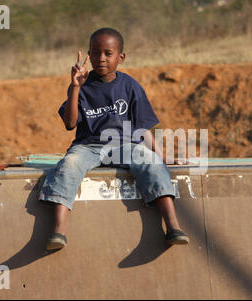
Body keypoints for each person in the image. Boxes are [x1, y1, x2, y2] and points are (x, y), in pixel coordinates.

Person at [39, 27, 189, 250]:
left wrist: (161, 155)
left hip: (126, 145)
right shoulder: (82, 85)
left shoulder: (129, 86)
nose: (101, 59)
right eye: (96, 53)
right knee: (68, 165)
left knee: (151, 163)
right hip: (88, 146)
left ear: (121, 57)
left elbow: (142, 127)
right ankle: (58, 231)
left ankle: (173, 226)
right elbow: (70, 124)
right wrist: (75, 87)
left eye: (108, 53)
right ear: (88, 55)